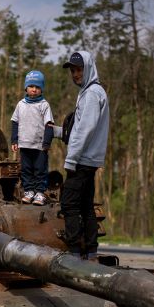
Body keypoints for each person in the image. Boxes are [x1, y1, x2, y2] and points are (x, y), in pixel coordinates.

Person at [56, 51, 110, 260]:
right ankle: (91, 252)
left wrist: (71, 159)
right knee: (86, 204)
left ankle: (75, 253)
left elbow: (85, 129)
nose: (75, 74)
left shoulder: (92, 94)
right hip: (89, 159)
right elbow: (79, 128)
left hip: (82, 160)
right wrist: (58, 132)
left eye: (79, 70)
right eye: (72, 70)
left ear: (88, 69)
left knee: (68, 203)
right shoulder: (91, 93)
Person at [10, 70, 55, 206]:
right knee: (26, 169)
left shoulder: (44, 105)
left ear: (41, 89)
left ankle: (40, 193)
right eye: (31, 87)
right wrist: (14, 140)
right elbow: (15, 122)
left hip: (40, 145)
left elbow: (49, 125)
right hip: (24, 144)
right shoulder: (21, 104)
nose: (34, 90)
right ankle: (29, 191)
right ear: (26, 88)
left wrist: (46, 143)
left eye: (37, 87)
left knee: (40, 169)